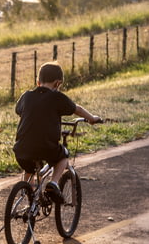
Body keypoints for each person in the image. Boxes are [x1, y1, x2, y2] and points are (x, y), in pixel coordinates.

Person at [13, 62, 103, 201]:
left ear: (38, 82)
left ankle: (29, 195)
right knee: (63, 156)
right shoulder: (57, 97)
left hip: (20, 148)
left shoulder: (26, 96)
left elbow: (18, 110)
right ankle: (53, 183)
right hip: (46, 147)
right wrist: (92, 118)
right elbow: (77, 109)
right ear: (57, 83)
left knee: (29, 166)